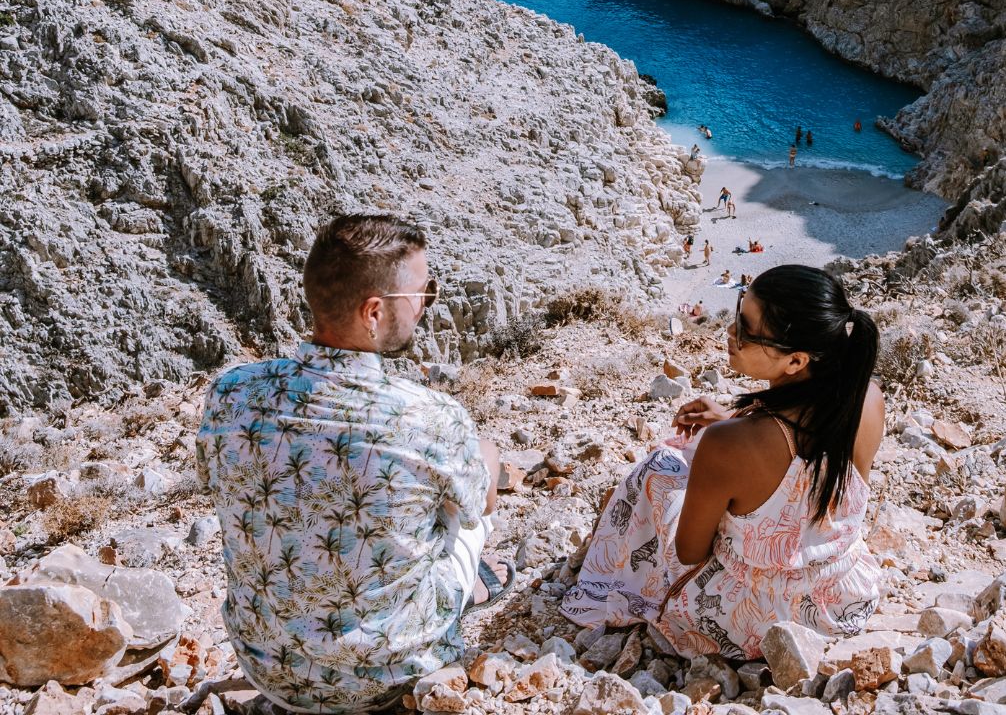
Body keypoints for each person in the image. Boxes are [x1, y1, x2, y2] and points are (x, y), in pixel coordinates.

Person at [196, 214, 512, 713]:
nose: (426, 308)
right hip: (391, 676)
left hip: (270, 668)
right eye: (423, 295)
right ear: (374, 312)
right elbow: (481, 504)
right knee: (473, 480)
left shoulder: (229, 392)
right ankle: (465, 587)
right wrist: (488, 460)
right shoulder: (429, 416)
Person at [561, 266, 885, 660]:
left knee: (662, 465)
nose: (730, 333)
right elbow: (799, 460)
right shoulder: (865, 398)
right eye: (737, 313)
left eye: (746, 328)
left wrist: (722, 444)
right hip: (840, 598)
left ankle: (603, 583)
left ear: (796, 361)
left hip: (753, 620)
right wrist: (734, 422)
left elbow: (690, 552)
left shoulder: (728, 445)